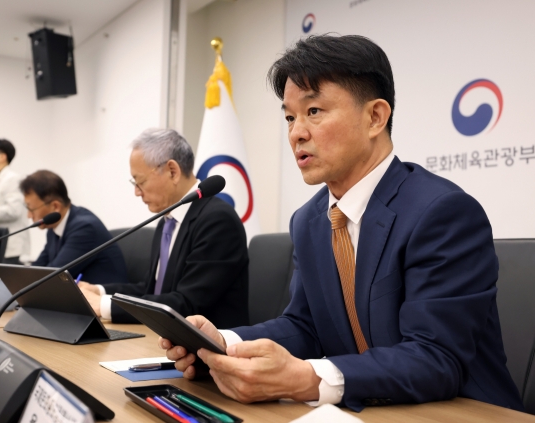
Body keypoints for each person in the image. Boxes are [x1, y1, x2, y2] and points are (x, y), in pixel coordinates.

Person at [162, 34, 523, 412]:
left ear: (375, 117)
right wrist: (222, 342)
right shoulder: (309, 221)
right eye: (289, 116)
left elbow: (435, 358)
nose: (296, 132)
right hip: (367, 405)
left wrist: (307, 379)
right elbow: (305, 326)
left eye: (313, 111)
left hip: (459, 411)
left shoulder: (442, 213)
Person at [78, 128, 249, 329]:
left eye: (140, 182)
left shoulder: (217, 221)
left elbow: (187, 303)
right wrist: (99, 291)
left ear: (172, 171)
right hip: (165, 337)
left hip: (208, 349)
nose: (136, 192)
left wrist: (104, 306)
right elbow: (151, 289)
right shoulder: (167, 221)